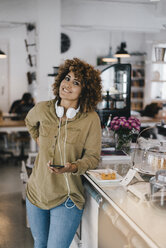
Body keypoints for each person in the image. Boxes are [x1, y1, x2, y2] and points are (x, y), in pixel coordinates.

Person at [25, 58, 102, 248]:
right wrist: (38, 138)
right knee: (40, 243)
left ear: (85, 90)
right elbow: (29, 122)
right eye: (67, 78)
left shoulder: (90, 119)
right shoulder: (43, 109)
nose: (67, 85)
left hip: (67, 197)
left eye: (76, 83)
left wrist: (73, 167)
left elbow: (93, 158)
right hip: (36, 192)